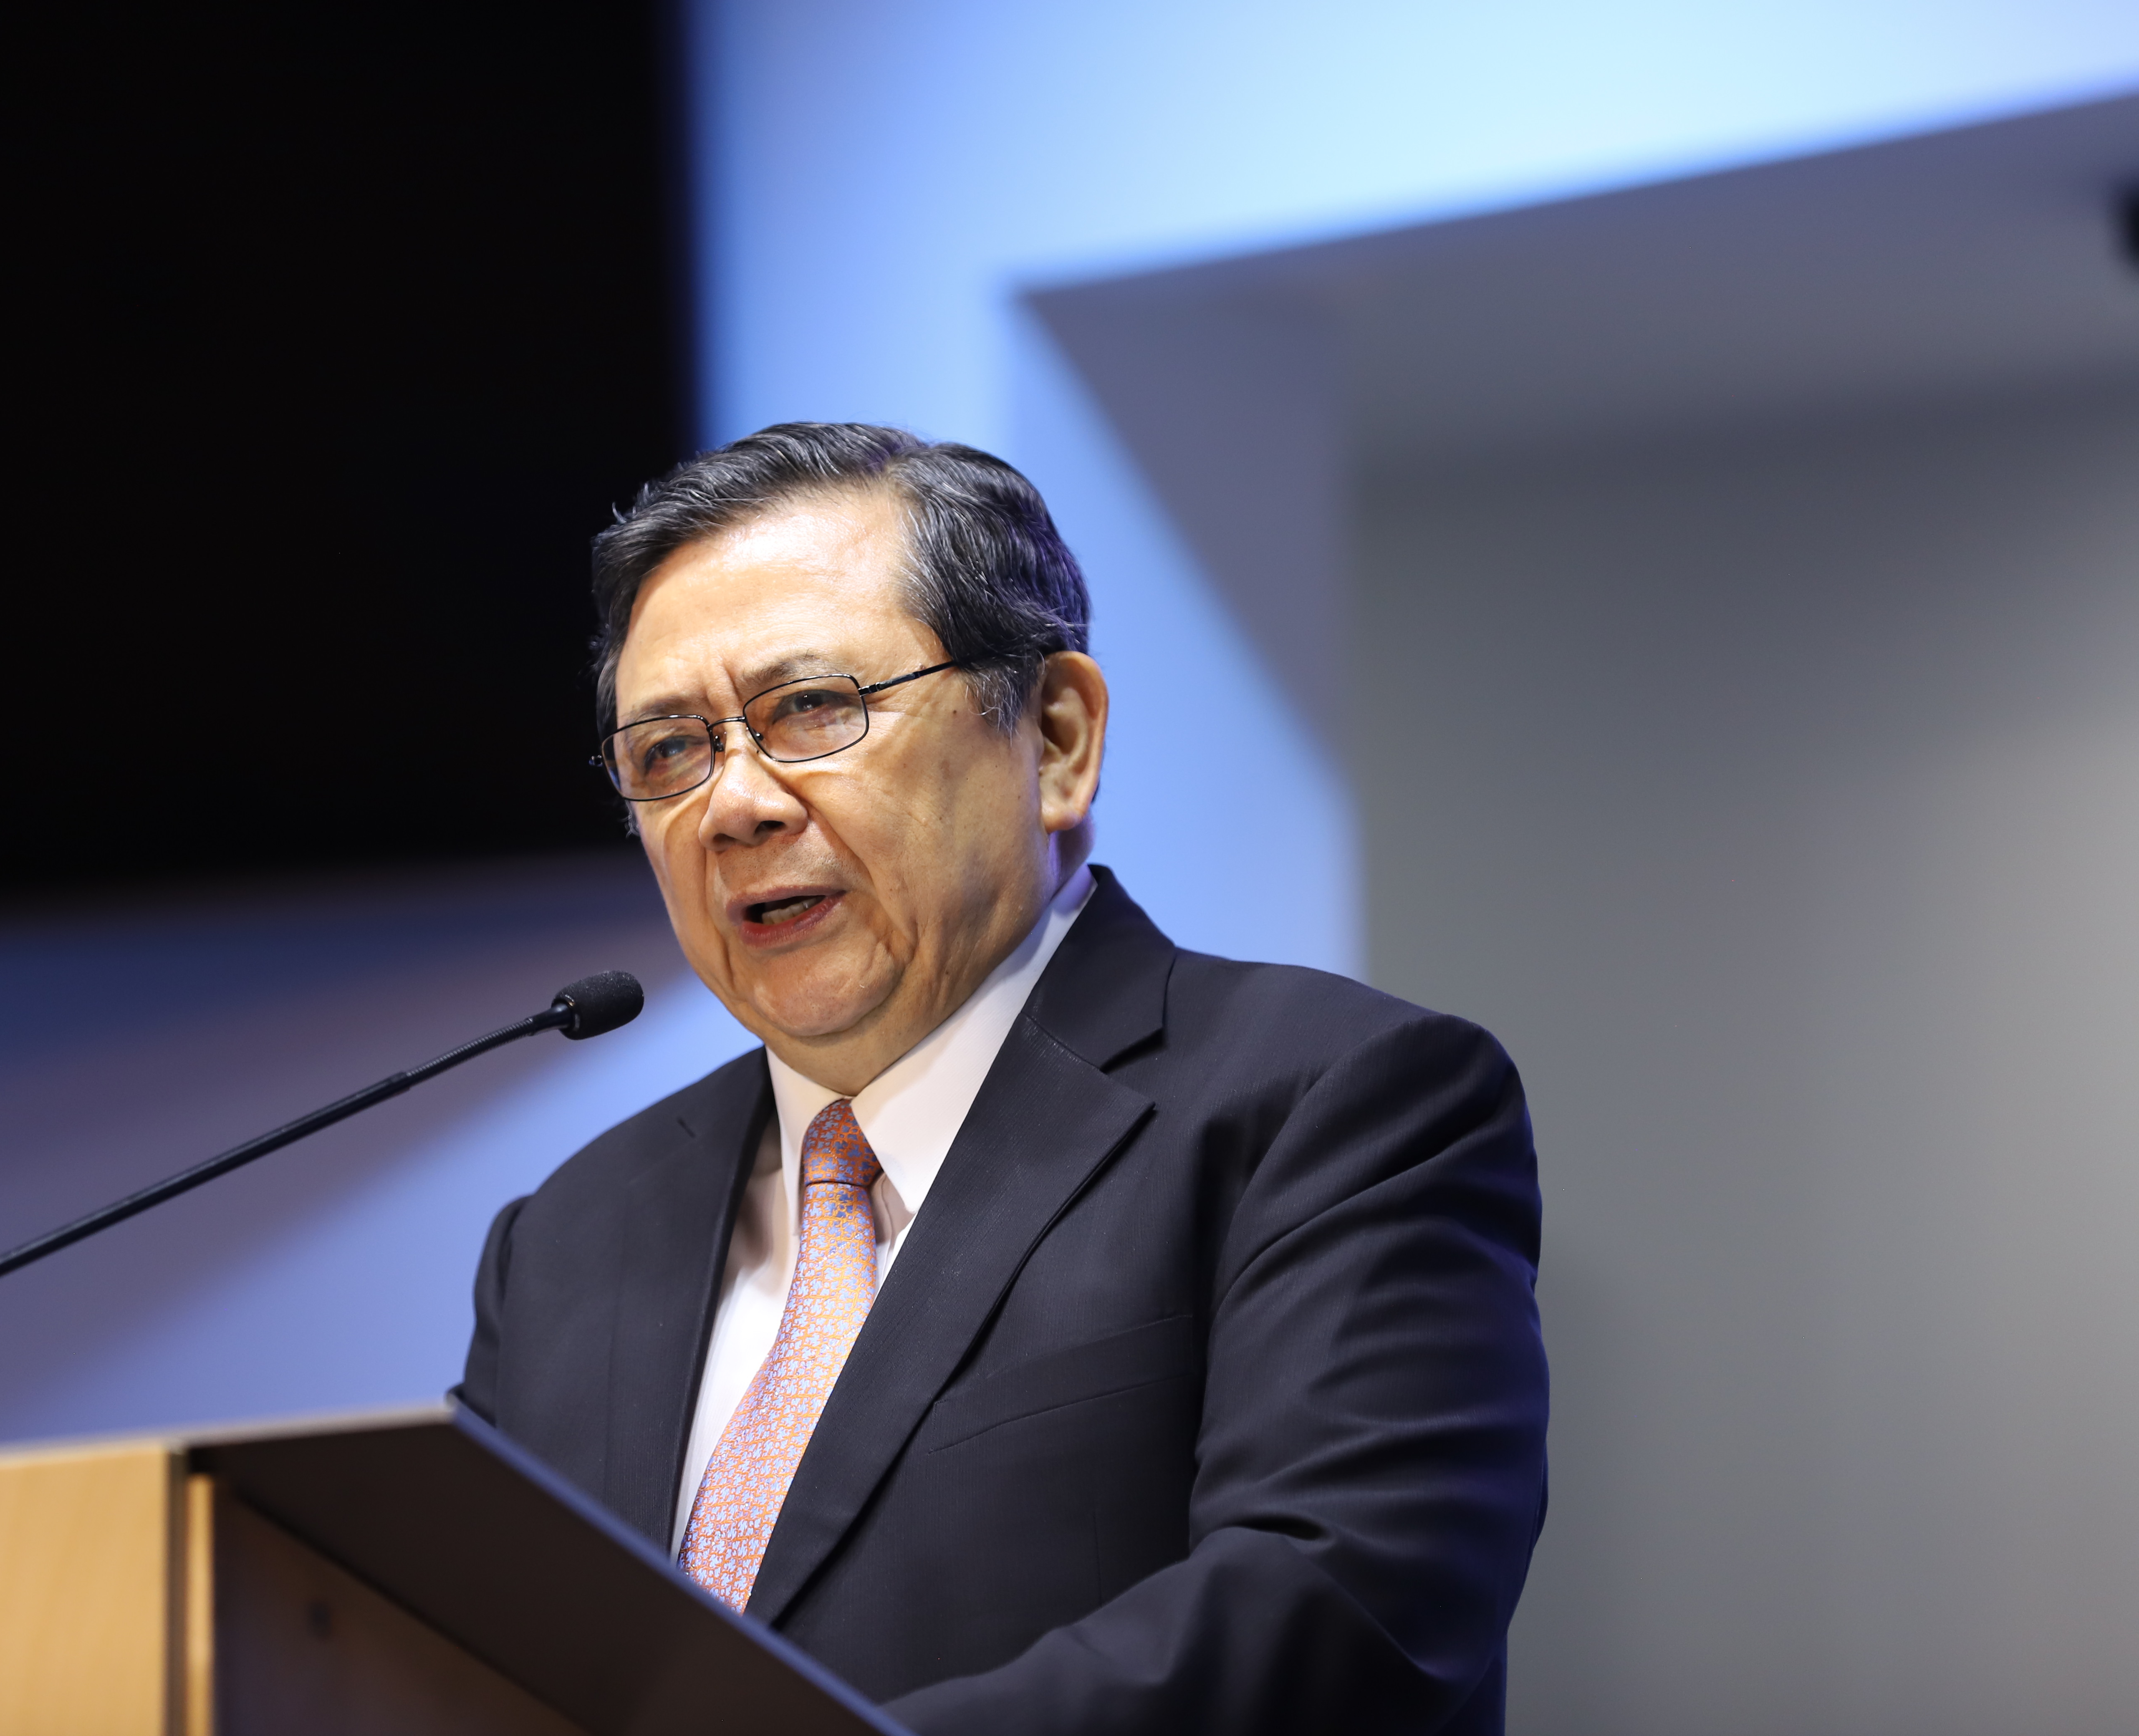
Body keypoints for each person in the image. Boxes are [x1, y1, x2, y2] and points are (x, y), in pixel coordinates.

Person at [455, 424, 1547, 1734]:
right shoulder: (569, 1238)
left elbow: (1339, 1615)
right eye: (668, 751)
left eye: (813, 708)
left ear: (1058, 738)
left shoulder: (1332, 1105)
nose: (733, 806)